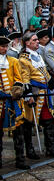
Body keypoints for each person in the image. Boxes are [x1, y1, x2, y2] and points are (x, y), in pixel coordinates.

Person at [19, 31, 54, 158]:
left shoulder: (38, 55)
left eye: (37, 40)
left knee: (49, 120)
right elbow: (25, 78)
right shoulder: (23, 59)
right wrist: (28, 96)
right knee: (29, 123)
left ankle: (51, 148)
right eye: (34, 40)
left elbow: (46, 74)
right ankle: (29, 151)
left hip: (45, 94)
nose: (37, 42)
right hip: (34, 94)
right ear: (27, 43)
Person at [0, 35, 29, 170]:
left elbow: (18, 78)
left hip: (13, 101)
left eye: (6, 46)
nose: (5, 49)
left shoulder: (13, 61)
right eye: (2, 46)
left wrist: (17, 90)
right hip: (0, 103)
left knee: (18, 132)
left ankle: (20, 159)